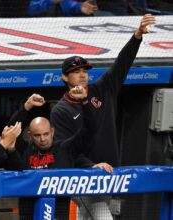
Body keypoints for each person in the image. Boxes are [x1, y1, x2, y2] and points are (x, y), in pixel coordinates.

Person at [50, 14, 156, 220]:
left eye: (84, 70)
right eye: (75, 71)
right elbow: (64, 148)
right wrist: (91, 165)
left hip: (109, 174)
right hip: (83, 177)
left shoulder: (103, 89)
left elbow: (121, 64)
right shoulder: (60, 110)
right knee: (102, 216)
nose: (82, 74)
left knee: (87, 216)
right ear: (64, 77)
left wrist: (137, 37)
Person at [7, 93, 112, 220]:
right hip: (29, 214)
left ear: (52, 131)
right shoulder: (26, 149)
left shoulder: (65, 148)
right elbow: (10, 130)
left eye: (46, 134)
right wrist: (26, 106)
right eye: (37, 135)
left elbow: (89, 129)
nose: (42, 139)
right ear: (30, 135)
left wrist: (84, 102)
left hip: (58, 214)